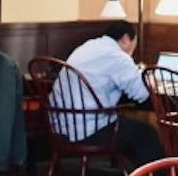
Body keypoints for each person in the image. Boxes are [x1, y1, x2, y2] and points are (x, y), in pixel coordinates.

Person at [50, 20, 163, 168]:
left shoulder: (88, 46)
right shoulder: (117, 56)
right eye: (133, 44)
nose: (132, 51)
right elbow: (141, 95)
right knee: (147, 133)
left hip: (61, 126)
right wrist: (150, 82)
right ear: (125, 38)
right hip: (89, 130)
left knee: (131, 129)